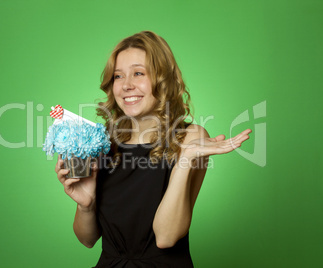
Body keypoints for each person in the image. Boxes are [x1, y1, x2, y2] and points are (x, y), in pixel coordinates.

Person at [55, 31, 252, 267]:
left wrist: (185, 160)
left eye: (139, 73)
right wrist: (86, 205)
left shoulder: (190, 138)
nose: (127, 85)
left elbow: (167, 237)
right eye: (118, 76)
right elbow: (87, 240)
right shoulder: (102, 142)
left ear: (163, 79)